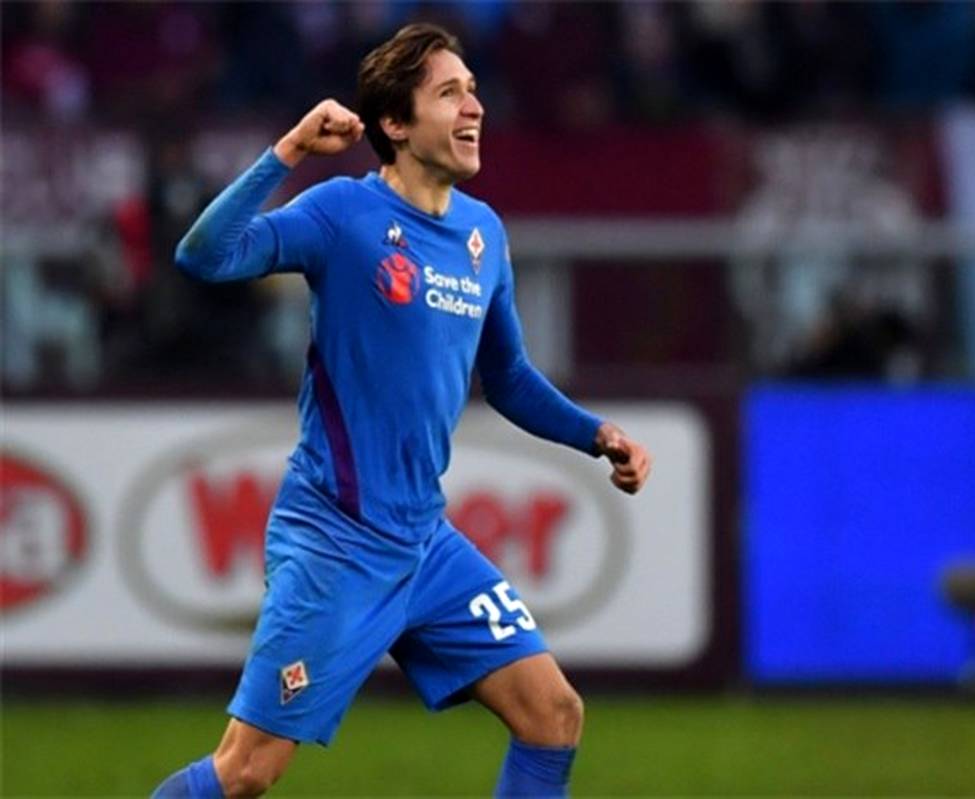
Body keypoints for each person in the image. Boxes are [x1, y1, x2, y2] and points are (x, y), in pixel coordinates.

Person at [151, 22, 651, 798]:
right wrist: (290, 150)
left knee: (553, 713)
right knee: (247, 771)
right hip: (336, 539)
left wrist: (598, 434)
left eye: (473, 90)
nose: (473, 106)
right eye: (449, 93)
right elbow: (205, 255)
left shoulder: (483, 233)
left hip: (424, 541)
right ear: (395, 121)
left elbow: (508, 377)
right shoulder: (342, 214)